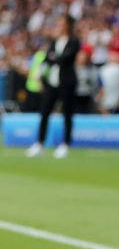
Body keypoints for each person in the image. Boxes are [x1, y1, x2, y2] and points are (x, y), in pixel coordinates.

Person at [26, 15, 80, 159]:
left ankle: (65, 144)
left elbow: (65, 59)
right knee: (44, 112)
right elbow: (46, 59)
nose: (59, 26)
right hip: (52, 82)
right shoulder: (54, 41)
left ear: (68, 25)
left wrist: (54, 57)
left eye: (61, 23)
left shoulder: (74, 41)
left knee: (67, 114)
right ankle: (39, 143)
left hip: (66, 82)